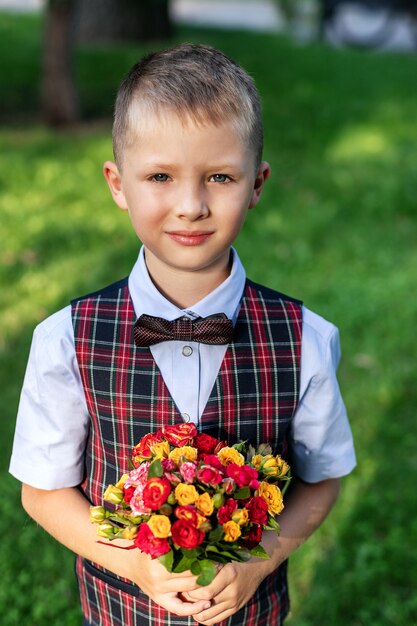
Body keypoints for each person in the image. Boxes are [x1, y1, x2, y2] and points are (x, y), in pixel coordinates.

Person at [9, 43, 356, 626]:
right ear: (118, 184)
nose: (191, 205)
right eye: (161, 176)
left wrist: (259, 561)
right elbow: (42, 492)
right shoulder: (65, 339)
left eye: (219, 176)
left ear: (257, 184)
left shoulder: (304, 339)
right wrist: (134, 564)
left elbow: (321, 482)